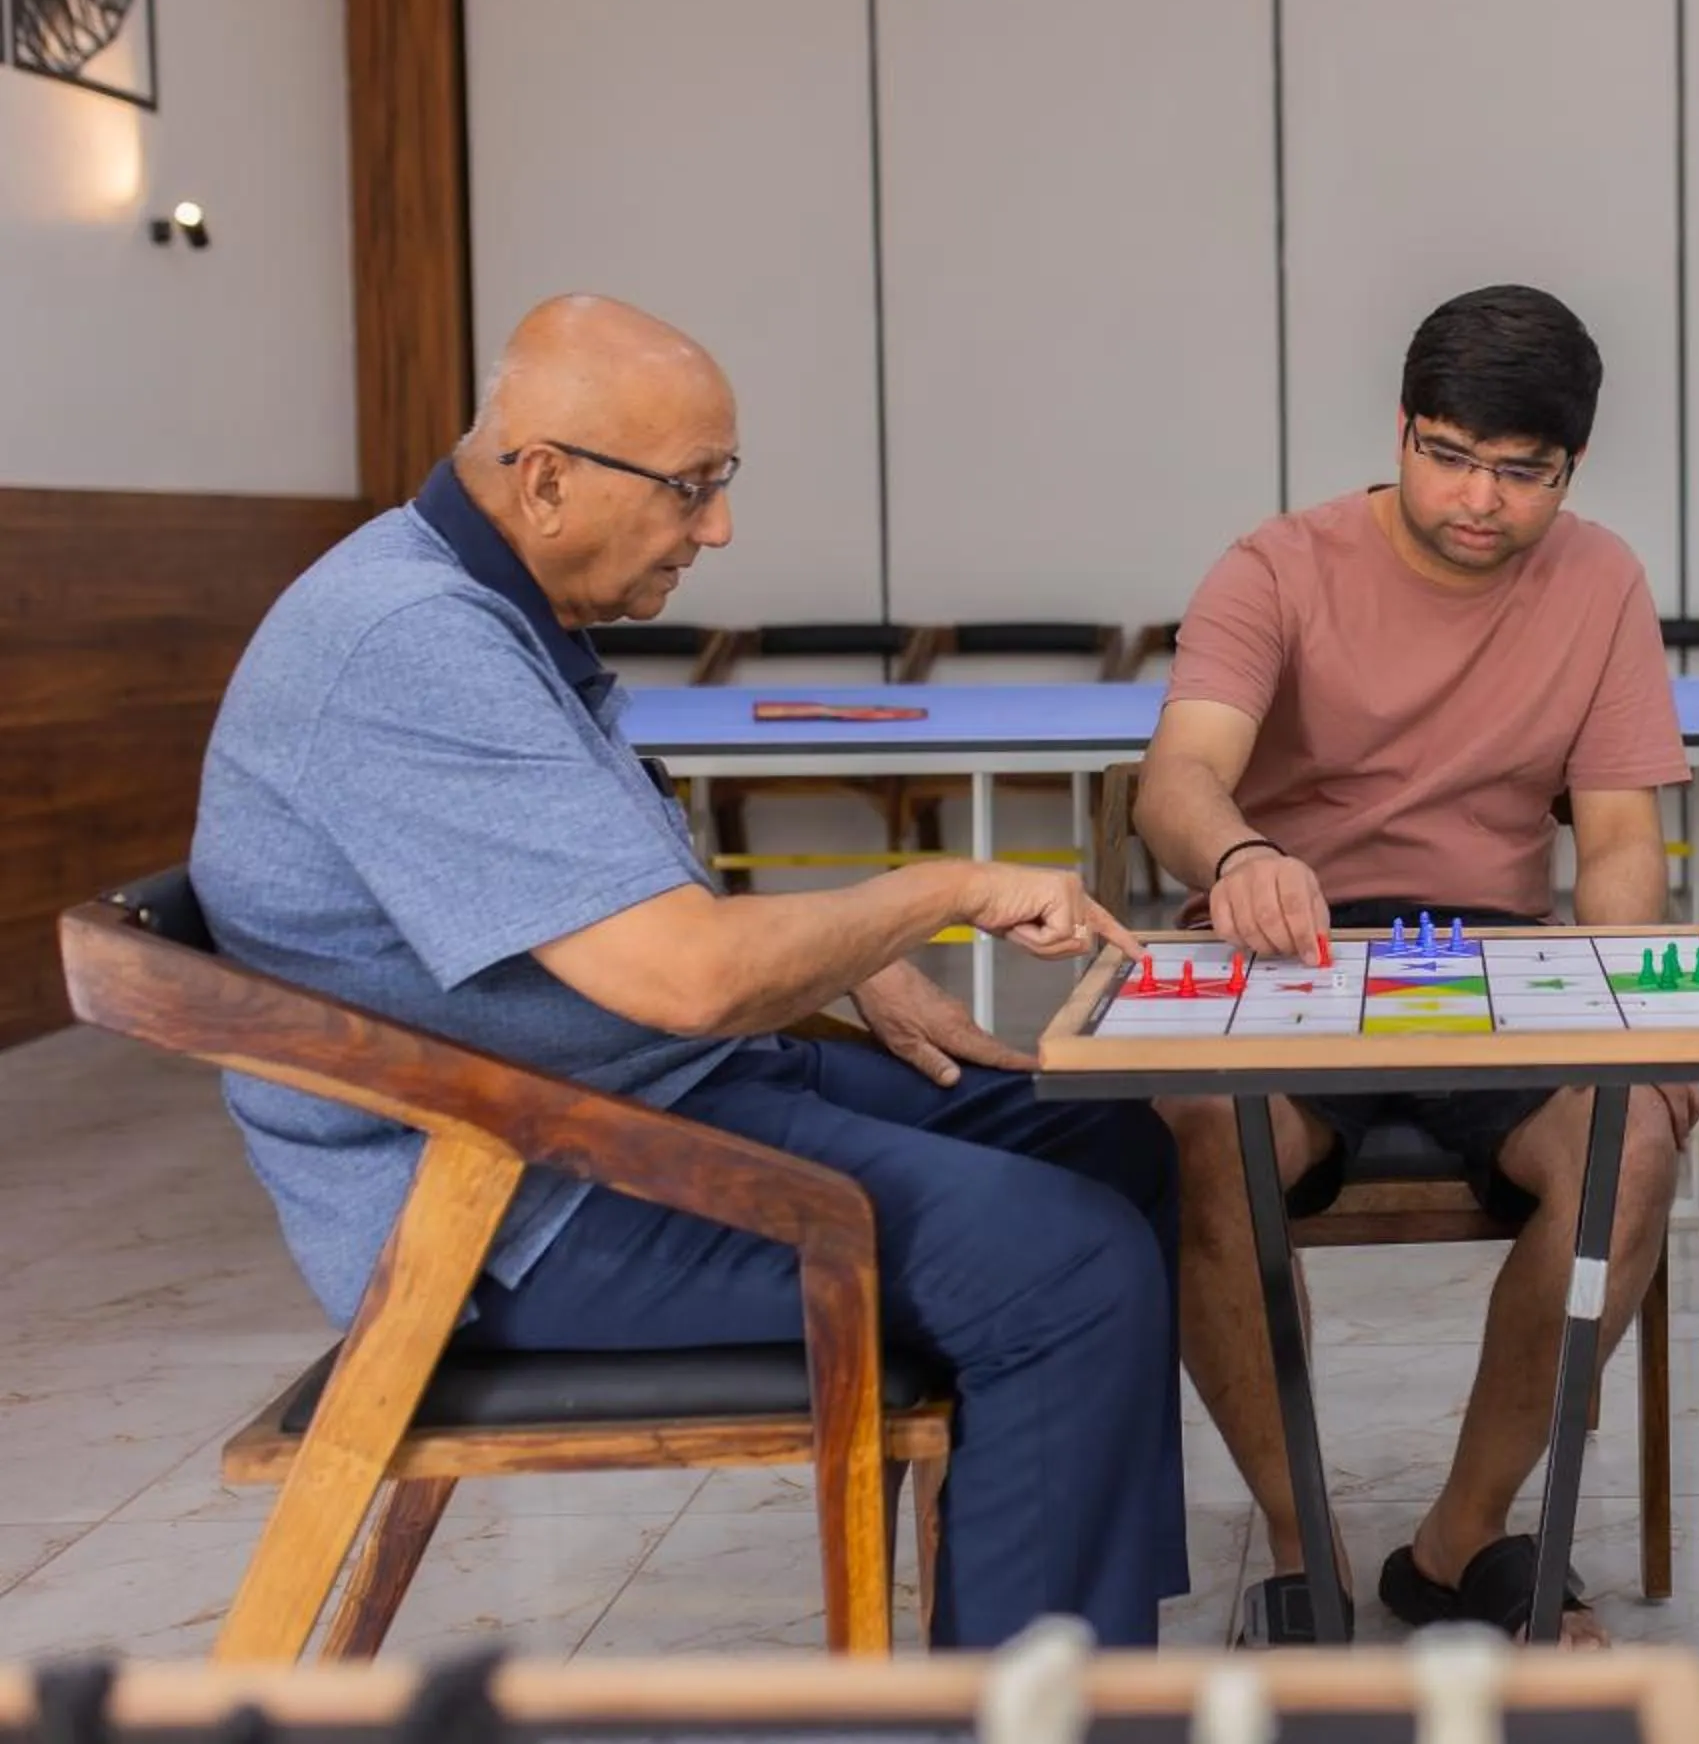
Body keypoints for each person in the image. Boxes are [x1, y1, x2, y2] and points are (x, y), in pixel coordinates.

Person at [191, 295, 1185, 1650]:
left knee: (1111, 1137)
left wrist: (832, 967)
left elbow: (623, 916)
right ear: (543, 480)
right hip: (511, 1200)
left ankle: (1058, 1633)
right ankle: (1023, 1708)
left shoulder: (487, 600)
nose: (716, 529)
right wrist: (936, 894)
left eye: (722, 486)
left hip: (626, 1101)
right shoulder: (409, 640)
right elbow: (683, 977)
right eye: (692, 490)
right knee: (1064, 1267)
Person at [1131, 282, 1697, 1648]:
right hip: (1290, 931)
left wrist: (1619, 992)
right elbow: (1180, 779)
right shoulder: (1277, 565)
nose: (1480, 500)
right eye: (1447, 455)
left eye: (1522, 474)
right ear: (1400, 430)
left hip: (1491, 951)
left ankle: (1459, 1540)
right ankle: (1301, 1545)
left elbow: (1620, 838)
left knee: (1633, 1150)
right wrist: (1239, 858)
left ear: (1570, 468)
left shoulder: (1603, 579)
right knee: (1207, 1130)